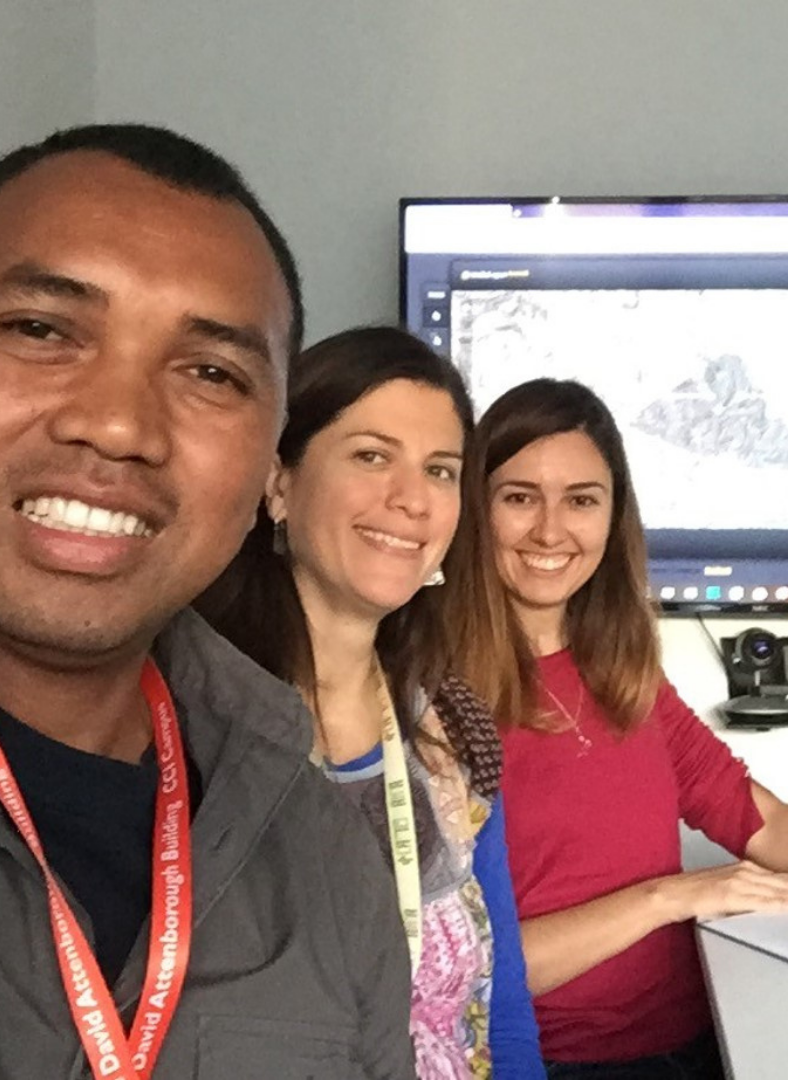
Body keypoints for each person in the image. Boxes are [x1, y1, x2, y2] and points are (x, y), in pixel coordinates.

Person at [0, 125, 417, 1079]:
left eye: (212, 373)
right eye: (43, 330)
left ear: (269, 465)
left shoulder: (320, 853)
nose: (121, 424)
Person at [444, 377, 788, 1079]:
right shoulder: (434, 699)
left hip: (702, 1033)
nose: (551, 531)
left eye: (582, 500)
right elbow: (466, 974)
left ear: (613, 517)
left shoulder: (624, 672)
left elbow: (754, 818)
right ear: (475, 509)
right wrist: (672, 896)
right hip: (558, 1061)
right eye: (520, 497)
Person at [197, 326, 545, 1080]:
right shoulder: (187, 726)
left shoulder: (451, 729)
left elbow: (502, 1005)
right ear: (280, 482)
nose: (412, 500)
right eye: (371, 456)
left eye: (442, 471)